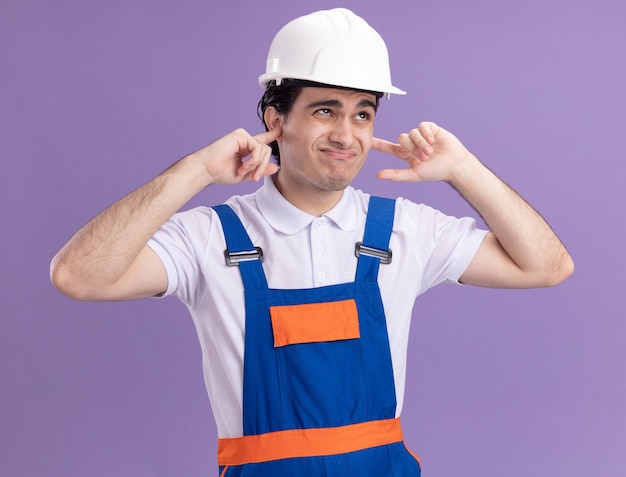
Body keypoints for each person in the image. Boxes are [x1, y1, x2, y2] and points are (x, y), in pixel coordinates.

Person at [50, 8, 573, 477]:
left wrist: (464, 170)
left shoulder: (404, 230)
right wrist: (195, 171)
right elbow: (78, 276)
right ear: (276, 120)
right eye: (326, 110)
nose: (347, 135)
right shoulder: (208, 238)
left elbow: (547, 267)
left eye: (362, 113)